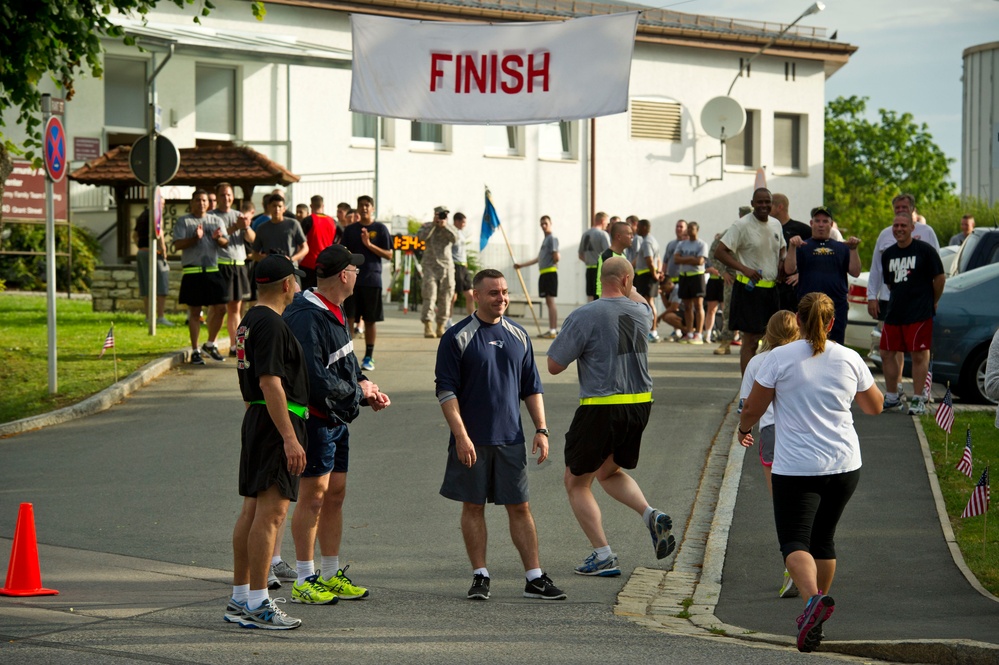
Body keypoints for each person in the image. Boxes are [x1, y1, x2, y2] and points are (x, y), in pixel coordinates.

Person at [738, 292, 883, 653]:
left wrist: (743, 428)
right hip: (845, 464)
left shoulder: (779, 358)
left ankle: (813, 603)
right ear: (832, 322)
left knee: (794, 541)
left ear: (799, 321)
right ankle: (816, 607)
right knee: (823, 540)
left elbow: (754, 406)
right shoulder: (850, 358)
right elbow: (875, 406)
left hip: (797, 466)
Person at [434, 269, 566, 602]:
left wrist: (541, 429)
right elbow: (446, 392)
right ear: (476, 295)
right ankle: (480, 575)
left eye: (505, 292)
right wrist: (461, 436)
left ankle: (534, 577)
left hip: (511, 439)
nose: (502, 298)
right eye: (494, 293)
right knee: (473, 506)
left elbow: (531, 387)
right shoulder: (456, 337)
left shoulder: (519, 335)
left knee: (520, 506)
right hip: (472, 441)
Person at [547, 257, 676, 576]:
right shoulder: (643, 313)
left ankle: (603, 555)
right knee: (606, 472)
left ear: (601, 280)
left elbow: (554, 364)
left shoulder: (584, 315)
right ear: (628, 279)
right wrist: (631, 288)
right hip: (640, 404)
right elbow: (645, 302)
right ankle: (650, 515)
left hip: (601, 406)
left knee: (576, 482)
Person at [283, 245, 390, 606]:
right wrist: (356, 391)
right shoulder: (305, 315)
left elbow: (343, 362)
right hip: (315, 419)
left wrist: (367, 389)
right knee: (313, 498)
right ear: (343, 275)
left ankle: (329, 574)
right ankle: (304, 577)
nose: (359, 274)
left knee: (336, 493)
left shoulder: (335, 308)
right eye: (355, 269)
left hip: (337, 417)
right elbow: (313, 377)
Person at [224, 254, 308, 631]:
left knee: (252, 512)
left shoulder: (248, 321)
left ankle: (241, 597)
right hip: (277, 421)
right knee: (271, 514)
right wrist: (289, 437)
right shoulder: (272, 324)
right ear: (287, 284)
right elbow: (270, 381)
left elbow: (252, 382)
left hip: (259, 419)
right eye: (297, 281)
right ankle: (258, 601)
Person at [738, 311, 800, 597]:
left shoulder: (758, 362)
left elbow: (746, 405)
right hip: (805, 432)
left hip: (772, 432)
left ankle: (792, 566)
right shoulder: (806, 356)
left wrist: (743, 429)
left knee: (782, 505)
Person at [714, 189, 786, 374]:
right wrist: (743, 268)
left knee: (774, 340)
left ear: (771, 203)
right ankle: (747, 389)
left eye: (767, 202)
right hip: (749, 290)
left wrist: (781, 265)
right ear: (752, 203)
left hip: (771, 290)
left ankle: (766, 385)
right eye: (759, 202)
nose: (763, 206)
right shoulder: (741, 225)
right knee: (751, 340)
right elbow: (719, 252)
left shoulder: (776, 224)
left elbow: (782, 249)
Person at [880, 214, 946, 415]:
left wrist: (932, 301)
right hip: (895, 312)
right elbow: (891, 283)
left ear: (912, 227)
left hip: (919, 312)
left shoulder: (925, 251)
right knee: (886, 353)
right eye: (896, 225)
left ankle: (918, 399)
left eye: (903, 225)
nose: (899, 229)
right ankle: (892, 397)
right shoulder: (888, 254)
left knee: (919, 355)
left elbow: (940, 278)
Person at [783, 206, 861, 345]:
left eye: (825, 221)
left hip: (836, 306)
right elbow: (789, 270)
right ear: (811, 223)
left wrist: (854, 250)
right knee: (806, 344)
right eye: (817, 221)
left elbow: (855, 272)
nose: (821, 224)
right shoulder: (802, 246)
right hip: (809, 305)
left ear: (831, 224)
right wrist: (792, 247)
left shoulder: (842, 247)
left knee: (835, 346)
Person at [171, 189, 229, 365]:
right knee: (195, 313)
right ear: (192, 202)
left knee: (221, 309)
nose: (201, 203)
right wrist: (194, 238)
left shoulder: (216, 220)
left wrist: (219, 239)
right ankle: (195, 350)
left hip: (212, 270)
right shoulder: (184, 221)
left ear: (208, 203)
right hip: (192, 272)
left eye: (204, 200)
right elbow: (177, 244)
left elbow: (226, 242)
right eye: (198, 200)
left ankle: (210, 344)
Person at [342, 195, 392, 371]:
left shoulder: (380, 228)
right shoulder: (350, 230)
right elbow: (344, 252)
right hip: (351, 281)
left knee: (370, 320)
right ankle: (347, 356)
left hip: (372, 279)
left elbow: (389, 254)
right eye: (361, 205)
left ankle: (369, 357)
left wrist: (368, 244)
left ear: (372, 208)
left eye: (367, 205)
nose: (364, 208)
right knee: (348, 318)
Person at [214, 182, 254, 356]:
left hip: (238, 265)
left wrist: (245, 227)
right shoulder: (212, 216)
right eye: (223, 195)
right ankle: (211, 342)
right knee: (217, 308)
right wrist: (235, 227)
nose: (226, 198)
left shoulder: (239, 215)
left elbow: (252, 239)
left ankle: (235, 346)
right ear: (217, 197)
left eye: (229, 195)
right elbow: (217, 237)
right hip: (219, 265)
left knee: (235, 309)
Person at [514, 215, 560, 338]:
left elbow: (556, 255)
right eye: (542, 224)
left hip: (550, 272)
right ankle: (552, 329)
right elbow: (539, 259)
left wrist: (556, 259)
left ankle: (553, 330)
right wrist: (521, 265)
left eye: (546, 223)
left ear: (550, 223)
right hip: (544, 273)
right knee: (548, 302)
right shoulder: (545, 240)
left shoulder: (552, 238)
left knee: (550, 302)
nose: (544, 226)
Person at [418, 205, 458, 339]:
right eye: (439, 214)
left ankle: (441, 325)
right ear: (435, 214)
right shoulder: (427, 226)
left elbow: (455, 239)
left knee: (446, 297)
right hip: (430, 266)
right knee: (429, 295)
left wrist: (444, 226)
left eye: (444, 215)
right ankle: (428, 325)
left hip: (447, 267)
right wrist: (434, 225)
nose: (441, 217)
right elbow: (421, 238)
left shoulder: (450, 227)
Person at [771, 193, 811, 312]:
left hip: (792, 290)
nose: (766, 208)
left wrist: (802, 275)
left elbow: (815, 255)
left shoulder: (803, 230)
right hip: (772, 287)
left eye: (770, 205)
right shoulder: (768, 229)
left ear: (780, 207)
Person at [133, 208, 173, 327]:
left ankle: (148, 317)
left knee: (146, 287)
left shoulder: (142, 215)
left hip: (142, 252)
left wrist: (141, 246)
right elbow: (159, 232)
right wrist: (163, 250)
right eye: (162, 203)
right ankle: (160, 317)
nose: (163, 206)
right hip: (155, 254)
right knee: (161, 285)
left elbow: (134, 236)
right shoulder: (156, 214)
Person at [250, 194, 309, 268]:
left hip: (290, 268)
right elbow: (254, 253)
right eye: (274, 206)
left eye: (280, 206)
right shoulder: (262, 228)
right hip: (270, 269)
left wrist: (291, 259)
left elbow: (305, 248)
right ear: (268, 207)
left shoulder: (293, 224)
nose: (277, 209)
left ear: (284, 208)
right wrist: (267, 259)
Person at [674, 221, 708, 344]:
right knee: (687, 306)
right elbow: (676, 259)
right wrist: (691, 259)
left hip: (697, 276)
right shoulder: (682, 244)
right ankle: (689, 333)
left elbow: (700, 261)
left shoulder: (702, 244)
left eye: (691, 229)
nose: (689, 231)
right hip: (684, 276)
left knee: (698, 305)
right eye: (688, 228)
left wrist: (685, 259)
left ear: (697, 230)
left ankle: (698, 334)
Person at [299, 195, 342, 290]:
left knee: (308, 293)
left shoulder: (308, 220)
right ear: (323, 205)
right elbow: (339, 239)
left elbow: (299, 240)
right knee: (323, 293)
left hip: (308, 263)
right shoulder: (333, 221)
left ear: (311, 206)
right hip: (326, 263)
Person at [633, 219, 662, 342]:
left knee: (649, 303)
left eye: (638, 227)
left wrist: (654, 274)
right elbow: (658, 259)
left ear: (644, 227)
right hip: (647, 275)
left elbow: (649, 260)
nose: (636, 229)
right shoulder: (651, 240)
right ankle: (649, 330)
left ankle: (653, 331)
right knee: (647, 302)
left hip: (646, 275)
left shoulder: (647, 242)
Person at [663, 220, 688, 341]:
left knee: (679, 306)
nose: (679, 228)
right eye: (677, 226)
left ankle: (688, 331)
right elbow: (665, 261)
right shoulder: (671, 244)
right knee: (669, 304)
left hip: (682, 280)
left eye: (681, 227)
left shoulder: (688, 245)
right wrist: (663, 274)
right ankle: (676, 330)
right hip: (670, 280)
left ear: (686, 229)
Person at [595, 221, 634, 298]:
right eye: (629, 234)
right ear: (618, 236)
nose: (632, 237)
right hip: (608, 302)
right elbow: (600, 283)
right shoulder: (607, 256)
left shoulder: (623, 255)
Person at [578, 212, 610, 301]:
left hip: (589, 269)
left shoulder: (585, 234)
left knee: (590, 295)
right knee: (599, 294)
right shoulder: (602, 234)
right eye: (607, 223)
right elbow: (609, 253)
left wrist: (589, 260)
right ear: (602, 221)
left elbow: (580, 255)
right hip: (599, 269)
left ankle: (590, 314)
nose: (607, 226)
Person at [450, 212, 474, 326]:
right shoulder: (451, 233)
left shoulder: (462, 233)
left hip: (463, 266)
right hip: (455, 265)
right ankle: (448, 321)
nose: (464, 224)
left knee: (470, 295)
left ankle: (473, 320)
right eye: (463, 222)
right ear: (456, 221)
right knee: (453, 296)